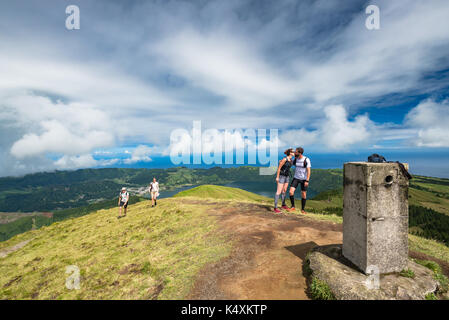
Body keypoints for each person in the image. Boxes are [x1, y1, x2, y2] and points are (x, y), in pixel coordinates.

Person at [287, 147, 311, 214]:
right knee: (291, 192)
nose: (295, 153)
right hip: (296, 178)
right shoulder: (296, 159)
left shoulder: (306, 160)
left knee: (303, 194)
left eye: (296, 152)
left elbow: (309, 171)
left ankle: (302, 209)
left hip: (304, 179)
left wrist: (307, 180)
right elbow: (289, 160)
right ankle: (293, 207)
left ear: (300, 153)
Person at [274, 148, 295, 213]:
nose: (294, 153)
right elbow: (279, 168)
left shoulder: (291, 160)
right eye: (293, 152)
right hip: (281, 176)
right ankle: (275, 208)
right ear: (290, 153)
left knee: (284, 190)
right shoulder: (284, 159)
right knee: (278, 192)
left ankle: (283, 204)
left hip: (287, 176)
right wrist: (277, 177)